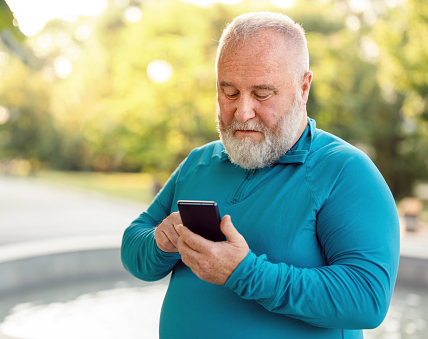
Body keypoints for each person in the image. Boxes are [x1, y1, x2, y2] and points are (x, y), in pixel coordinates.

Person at [121, 11, 400, 339]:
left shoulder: (346, 171)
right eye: (229, 92)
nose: (242, 111)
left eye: (262, 94)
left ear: (303, 87)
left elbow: (367, 299)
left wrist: (243, 272)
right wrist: (160, 244)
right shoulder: (199, 161)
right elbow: (133, 244)